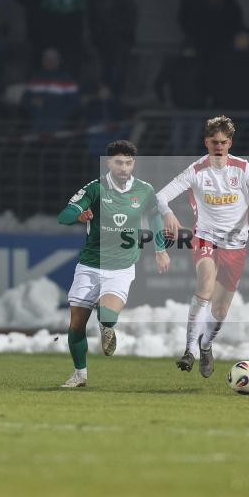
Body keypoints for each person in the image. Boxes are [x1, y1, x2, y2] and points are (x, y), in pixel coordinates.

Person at [156, 115, 249, 378]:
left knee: (220, 311)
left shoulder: (243, 169)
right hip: (205, 238)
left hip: (236, 245)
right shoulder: (196, 171)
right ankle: (189, 350)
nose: (218, 146)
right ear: (206, 142)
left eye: (222, 142)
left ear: (230, 143)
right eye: (213, 142)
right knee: (205, 284)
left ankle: (206, 345)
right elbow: (160, 196)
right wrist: (168, 213)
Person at [56, 140, 170, 388]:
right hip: (90, 265)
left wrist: (161, 250)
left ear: (133, 164)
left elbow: (155, 217)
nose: (123, 167)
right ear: (108, 163)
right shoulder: (96, 189)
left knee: (107, 316)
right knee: (76, 324)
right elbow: (64, 216)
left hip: (121, 267)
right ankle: (80, 375)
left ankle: (106, 326)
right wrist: (79, 215)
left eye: (128, 163)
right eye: (119, 162)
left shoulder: (144, 190)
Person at [22, 48, 79, 133]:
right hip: (37, 123)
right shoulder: (35, 78)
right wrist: (32, 105)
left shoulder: (67, 79)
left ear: (58, 61)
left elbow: (75, 103)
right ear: (43, 61)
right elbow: (25, 100)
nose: (50, 61)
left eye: (53, 59)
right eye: (47, 59)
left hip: (58, 125)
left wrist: (60, 115)